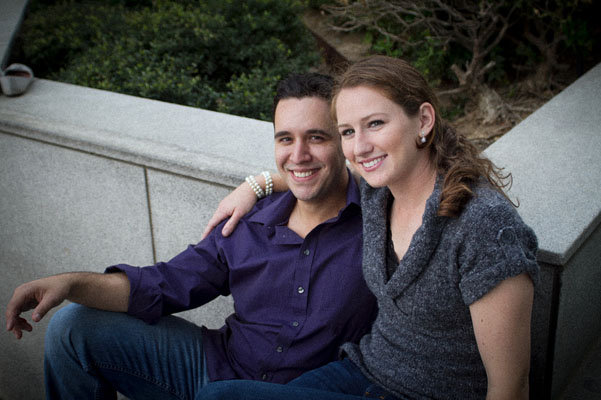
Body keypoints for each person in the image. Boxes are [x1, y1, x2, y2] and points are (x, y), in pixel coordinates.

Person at [5, 73, 377, 400]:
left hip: (308, 391)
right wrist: (69, 283)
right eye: (285, 139)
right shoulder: (247, 221)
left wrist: (262, 181)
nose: (298, 154)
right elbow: (164, 284)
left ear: (344, 140)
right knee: (73, 327)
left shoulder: (380, 220)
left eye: (316, 137)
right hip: (216, 367)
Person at [197, 55, 540, 400]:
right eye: (347, 131)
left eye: (375, 124)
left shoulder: (484, 226)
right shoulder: (379, 191)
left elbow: (510, 385)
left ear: (422, 120)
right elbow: (312, 172)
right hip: (361, 373)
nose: (359, 148)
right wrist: (256, 186)